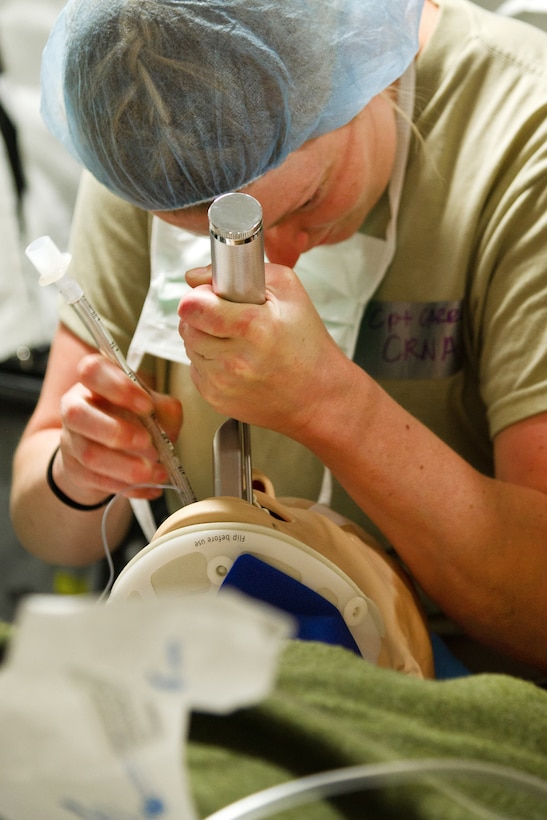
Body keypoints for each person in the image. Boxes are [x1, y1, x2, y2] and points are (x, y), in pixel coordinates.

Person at [9, 0, 547, 676]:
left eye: (305, 205)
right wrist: (80, 472)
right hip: (203, 657)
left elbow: (536, 611)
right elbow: (46, 526)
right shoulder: (144, 115)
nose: (277, 265)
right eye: (201, 236)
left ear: (363, 67)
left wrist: (333, 407)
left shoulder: (522, 135)